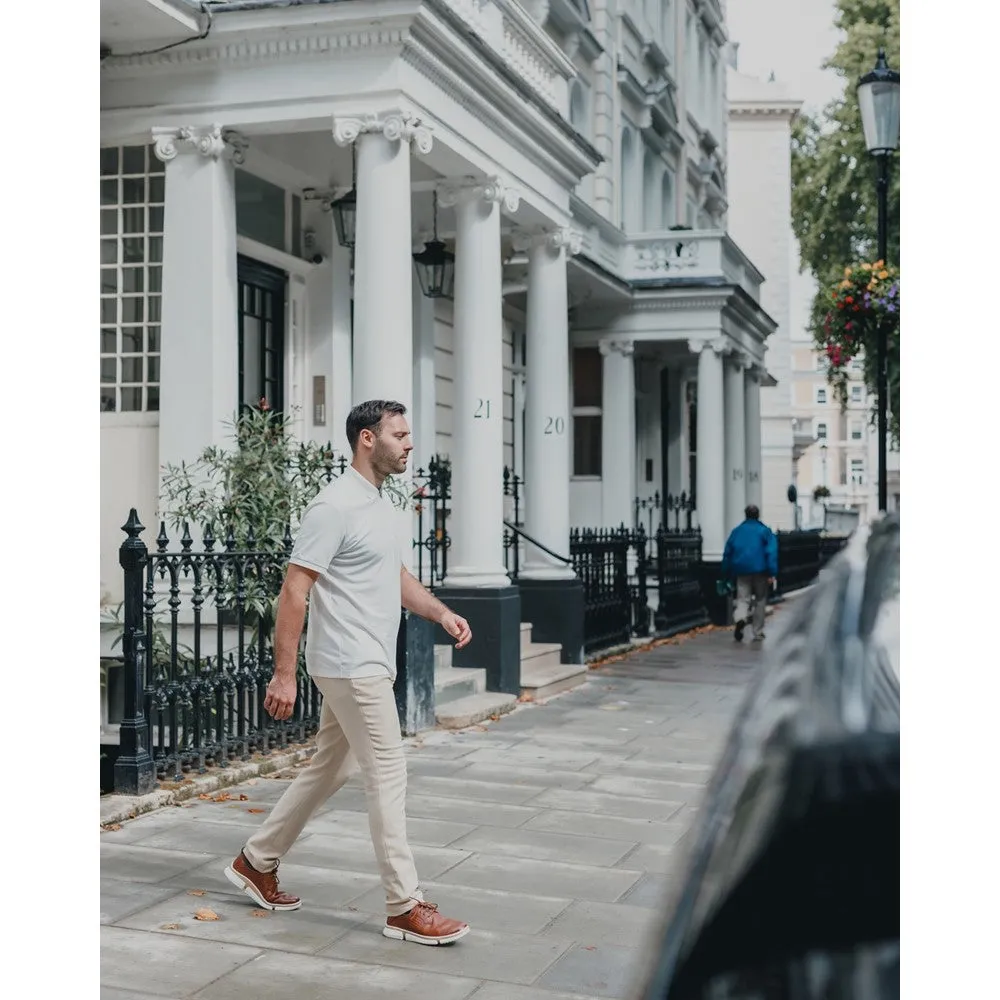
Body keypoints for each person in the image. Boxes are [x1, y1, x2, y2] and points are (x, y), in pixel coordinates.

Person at [225, 399, 472, 946]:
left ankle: (256, 860)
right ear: (367, 438)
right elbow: (295, 589)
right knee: (388, 771)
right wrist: (283, 675)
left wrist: (440, 612)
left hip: (367, 660)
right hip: (349, 662)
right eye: (400, 434)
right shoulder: (333, 506)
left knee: (329, 769)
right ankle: (404, 905)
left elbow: (394, 574)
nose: (409, 443)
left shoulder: (379, 505)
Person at [721, 504, 778, 643]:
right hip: (761, 570)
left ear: (745, 515)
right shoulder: (765, 531)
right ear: (758, 515)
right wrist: (772, 572)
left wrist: (725, 572)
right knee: (760, 599)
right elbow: (771, 552)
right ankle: (757, 631)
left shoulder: (737, 531)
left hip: (741, 570)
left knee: (742, 598)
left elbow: (728, 552)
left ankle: (740, 618)